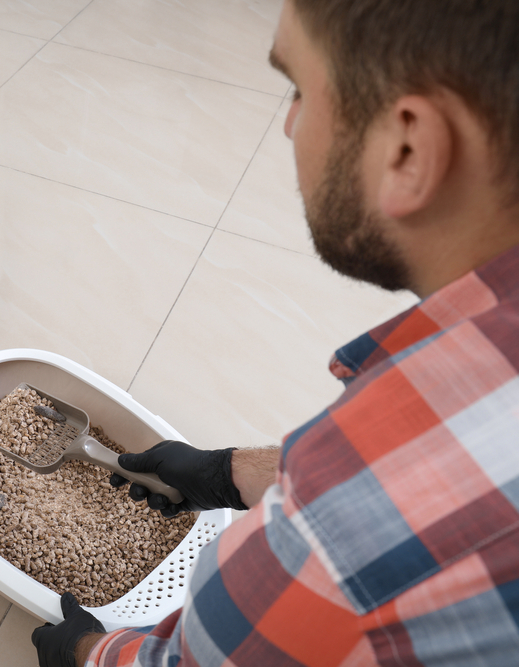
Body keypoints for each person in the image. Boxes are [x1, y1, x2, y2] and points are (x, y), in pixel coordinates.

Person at [31, 0, 519, 664]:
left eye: (296, 87)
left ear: (408, 149)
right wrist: (229, 473)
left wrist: (85, 650)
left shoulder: (337, 546)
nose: (289, 125)